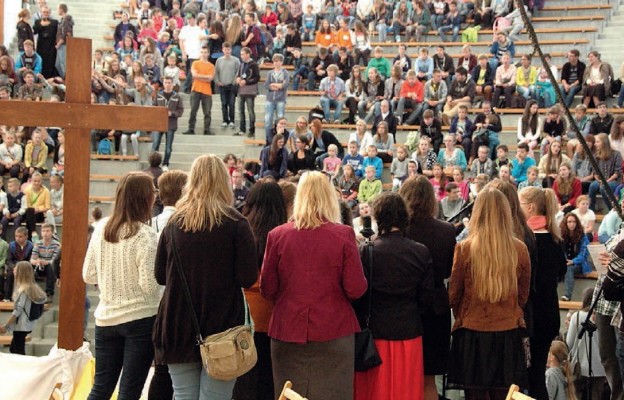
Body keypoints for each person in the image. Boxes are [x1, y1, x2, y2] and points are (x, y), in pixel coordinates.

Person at [152, 155, 257, 400]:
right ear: (223, 181)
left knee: (183, 396)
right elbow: (247, 277)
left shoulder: (174, 224)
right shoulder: (236, 223)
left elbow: (160, 276)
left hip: (177, 323)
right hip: (223, 326)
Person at [260, 171, 367, 398]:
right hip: (334, 330)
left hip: (288, 329)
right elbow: (355, 288)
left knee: (289, 396)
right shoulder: (344, 235)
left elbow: (267, 288)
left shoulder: (277, 235)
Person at [82, 172, 161, 400]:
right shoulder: (146, 236)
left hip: (106, 318)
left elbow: (88, 274)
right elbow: (150, 286)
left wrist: (111, 280)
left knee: (100, 389)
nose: (155, 197)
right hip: (141, 320)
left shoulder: (102, 228)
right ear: (144, 198)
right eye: (153, 193)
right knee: (129, 392)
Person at [448, 188, 530, 398]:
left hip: (472, 333)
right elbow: (522, 296)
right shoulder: (520, 249)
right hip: (507, 333)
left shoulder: (464, 248)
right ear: (506, 213)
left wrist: (465, 314)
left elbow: (454, 295)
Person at [353, 192, 434, 400]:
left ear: (378, 218)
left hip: (375, 334)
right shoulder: (421, 251)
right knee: (406, 391)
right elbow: (426, 297)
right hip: (409, 330)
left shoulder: (366, 251)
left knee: (375, 392)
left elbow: (359, 294)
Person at [399, 175, 456, 400]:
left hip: (405, 308)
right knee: (429, 381)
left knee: (402, 378)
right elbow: (450, 271)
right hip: (435, 310)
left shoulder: (399, 231)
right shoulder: (446, 231)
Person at [232, 181, 287, 400]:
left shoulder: (241, 230)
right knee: (269, 384)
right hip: (275, 318)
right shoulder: (283, 235)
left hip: (243, 317)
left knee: (242, 386)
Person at [518, 186, 567, 399]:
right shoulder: (555, 240)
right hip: (549, 315)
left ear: (529, 207)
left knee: (527, 377)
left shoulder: (526, 241)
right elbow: (561, 273)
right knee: (537, 374)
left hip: (531, 316)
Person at [566, 288, 607, 400]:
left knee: (576, 396)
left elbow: (568, 343)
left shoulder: (577, 316)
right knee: (596, 396)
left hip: (579, 366)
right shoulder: (603, 318)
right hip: (600, 367)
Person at [0, 261, 46, 354]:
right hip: (27, 324)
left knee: (18, 351)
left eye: (16, 268)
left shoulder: (23, 290)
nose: (13, 270)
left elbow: (17, 310)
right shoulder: (32, 287)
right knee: (13, 349)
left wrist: (6, 326)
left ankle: (23, 368)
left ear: (21, 271)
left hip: (21, 325)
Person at [152, 76, 184, 170]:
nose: (167, 84)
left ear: (173, 84)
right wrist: (159, 113)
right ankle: (154, 164)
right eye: (166, 82)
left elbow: (180, 111)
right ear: (163, 84)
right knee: (155, 145)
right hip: (159, 124)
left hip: (171, 124)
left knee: (168, 147)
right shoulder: (158, 95)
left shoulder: (177, 96)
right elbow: (153, 108)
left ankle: (165, 164)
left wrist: (172, 113)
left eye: (169, 82)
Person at [183, 46, 215, 136]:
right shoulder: (195, 63)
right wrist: (205, 77)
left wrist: (199, 76)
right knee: (193, 110)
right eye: (202, 52)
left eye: (205, 52)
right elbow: (194, 75)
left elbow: (210, 79)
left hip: (207, 91)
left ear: (208, 54)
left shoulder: (211, 66)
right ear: (200, 53)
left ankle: (207, 129)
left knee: (207, 112)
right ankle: (191, 128)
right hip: (196, 89)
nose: (204, 54)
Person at [559, 213, 590, 302]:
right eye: (569, 222)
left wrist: (572, 261)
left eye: (574, 222)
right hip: (563, 263)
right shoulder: (560, 236)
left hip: (578, 264)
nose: (572, 224)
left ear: (577, 223)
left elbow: (584, 254)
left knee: (568, 268)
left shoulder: (583, 236)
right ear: (565, 223)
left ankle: (567, 296)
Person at [588, 133, 622, 211]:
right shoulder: (596, 155)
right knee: (592, 186)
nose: (595, 144)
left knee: (604, 188)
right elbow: (595, 172)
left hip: (614, 180)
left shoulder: (616, 154)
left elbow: (618, 172)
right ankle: (591, 209)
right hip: (601, 180)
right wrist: (598, 180)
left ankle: (612, 209)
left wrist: (606, 181)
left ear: (604, 142)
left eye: (597, 142)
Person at [264, 54, 290, 144]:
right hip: (270, 99)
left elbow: (285, 85)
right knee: (268, 120)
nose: (276, 63)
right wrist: (276, 86)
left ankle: (280, 139)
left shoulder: (285, 73)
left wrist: (274, 85)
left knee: (280, 119)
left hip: (280, 99)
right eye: (275, 61)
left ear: (281, 62)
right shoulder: (270, 73)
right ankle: (268, 140)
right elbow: (266, 85)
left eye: (278, 61)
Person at [30, 222, 60, 299]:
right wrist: (37, 261)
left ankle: (49, 293)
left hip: (50, 267)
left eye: (47, 231)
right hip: (39, 266)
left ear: (52, 232)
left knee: (51, 267)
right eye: (43, 231)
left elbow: (55, 260)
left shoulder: (57, 245)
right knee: (28, 266)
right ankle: (29, 292)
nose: (45, 233)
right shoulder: (38, 243)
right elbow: (32, 259)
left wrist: (46, 262)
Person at [236, 47, 260, 138]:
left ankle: (252, 129)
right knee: (240, 110)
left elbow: (257, 78)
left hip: (250, 91)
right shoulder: (241, 64)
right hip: (241, 91)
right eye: (241, 54)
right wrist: (238, 78)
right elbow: (239, 74)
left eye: (243, 54)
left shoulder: (254, 64)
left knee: (250, 111)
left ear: (248, 54)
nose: (241, 56)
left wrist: (246, 82)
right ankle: (242, 129)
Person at [215, 42, 240, 129]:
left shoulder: (236, 60)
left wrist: (235, 82)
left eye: (228, 49)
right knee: (224, 103)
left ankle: (232, 121)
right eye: (225, 50)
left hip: (232, 85)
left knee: (232, 103)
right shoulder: (219, 60)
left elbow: (238, 72)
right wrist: (217, 81)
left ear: (231, 50)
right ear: (222, 50)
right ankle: (225, 120)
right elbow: (216, 72)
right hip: (222, 85)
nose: (227, 51)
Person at [32, 6, 58, 78]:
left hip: (51, 47)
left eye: (47, 12)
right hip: (41, 47)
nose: (46, 13)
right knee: (41, 62)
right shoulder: (37, 21)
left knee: (50, 63)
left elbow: (57, 33)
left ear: (49, 13)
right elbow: (34, 31)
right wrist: (41, 25)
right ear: (41, 13)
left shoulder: (55, 22)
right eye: (44, 12)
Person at [54, 4, 73, 78]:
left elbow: (65, 34)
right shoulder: (62, 20)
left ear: (61, 9)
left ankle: (67, 79)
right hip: (61, 45)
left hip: (63, 44)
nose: (57, 11)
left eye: (58, 9)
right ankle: (64, 78)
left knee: (63, 64)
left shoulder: (66, 20)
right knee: (57, 64)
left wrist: (59, 43)